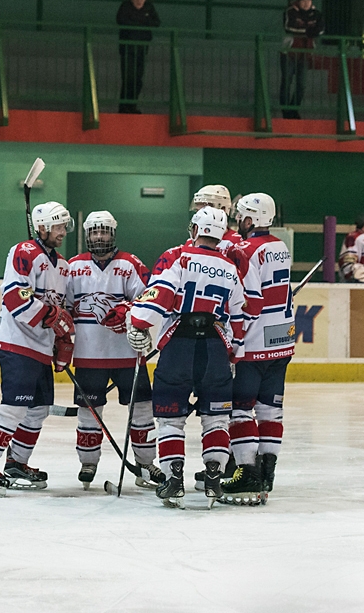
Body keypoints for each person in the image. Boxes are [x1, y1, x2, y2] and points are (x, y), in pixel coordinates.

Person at [126, 206, 247, 509]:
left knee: (170, 419)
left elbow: (159, 296)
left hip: (178, 348)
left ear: (194, 229)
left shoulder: (181, 259)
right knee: (217, 417)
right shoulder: (230, 268)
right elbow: (240, 315)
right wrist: (234, 353)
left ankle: (173, 480)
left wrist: (138, 323)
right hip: (214, 351)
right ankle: (214, 478)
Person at [0, 202, 73, 496]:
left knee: (38, 409)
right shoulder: (23, 252)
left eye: (65, 226)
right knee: (15, 406)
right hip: (17, 343)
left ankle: (17, 462)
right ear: (42, 227)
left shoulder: (62, 266)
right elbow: (15, 297)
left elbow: (61, 307)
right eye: (58, 226)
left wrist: (62, 340)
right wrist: (52, 318)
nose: (63, 231)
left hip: (40, 348)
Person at [65, 211, 162, 489]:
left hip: (128, 356)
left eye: (104, 231)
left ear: (113, 234)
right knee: (89, 412)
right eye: (94, 232)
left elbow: (149, 297)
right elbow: (65, 307)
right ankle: (88, 461)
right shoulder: (73, 267)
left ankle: (146, 463)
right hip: (88, 355)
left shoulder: (130, 264)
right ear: (87, 235)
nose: (99, 237)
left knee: (142, 410)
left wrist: (128, 311)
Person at [219, 194, 292, 505]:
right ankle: (267, 471)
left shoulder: (247, 249)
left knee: (240, 408)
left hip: (255, 342)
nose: (238, 220)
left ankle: (247, 473)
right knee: (270, 409)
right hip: (283, 339)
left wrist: (235, 339)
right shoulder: (280, 246)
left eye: (241, 216)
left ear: (249, 219)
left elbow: (251, 302)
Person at [280, 0, 324, 119]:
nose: (306, 4)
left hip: (305, 54)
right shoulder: (291, 11)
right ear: (299, 2)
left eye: (308, 1)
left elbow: (321, 29)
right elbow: (289, 27)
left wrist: (308, 31)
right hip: (289, 53)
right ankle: (285, 110)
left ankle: (294, 109)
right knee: (286, 82)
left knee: (302, 85)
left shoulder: (316, 14)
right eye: (303, 1)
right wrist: (310, 30)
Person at [116, 0, 160, 114]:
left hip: (142, 47)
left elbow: (156, 22)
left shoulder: (149, 7)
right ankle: (124, 106)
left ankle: (132, 105)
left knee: (138, 79)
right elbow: (121, 20)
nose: (140, 1)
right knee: (128, 77)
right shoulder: (125, 6)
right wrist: (143, 22)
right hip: (127, 48)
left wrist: (136, 22)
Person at [190, 185, 243, 249]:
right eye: (198, 210)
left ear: (223, 209)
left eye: (205, 209)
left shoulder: (237, 243)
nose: (200, 214)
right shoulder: (193, 240)